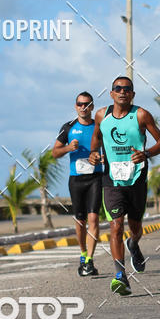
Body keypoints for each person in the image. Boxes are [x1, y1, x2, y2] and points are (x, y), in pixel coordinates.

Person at [89, 76, 160, 295]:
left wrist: (146, 153)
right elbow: (96, 141)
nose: (122, 92)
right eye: (118, 88)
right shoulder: (101, 116)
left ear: (132, 94)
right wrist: (94, 154)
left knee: (135, 228)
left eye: (127, 89)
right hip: (111, 179)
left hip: (136, 178)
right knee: (115, 226)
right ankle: (120, 275)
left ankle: (134, 244)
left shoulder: (141, 115)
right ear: (111, 93)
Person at [52, 91, 102, 277]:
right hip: (76, 180)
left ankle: (89, 260)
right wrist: (68, 148)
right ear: (75, 106)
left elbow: (108, 151)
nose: (83, 107)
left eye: (87, 104)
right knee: (80, 221)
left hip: (95, 178)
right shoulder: (68, 128)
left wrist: (101, 157)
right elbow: (54, 153)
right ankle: (82, 254)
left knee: (93, 219)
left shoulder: (99, 126)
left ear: (92, 106)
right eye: (80, 104)